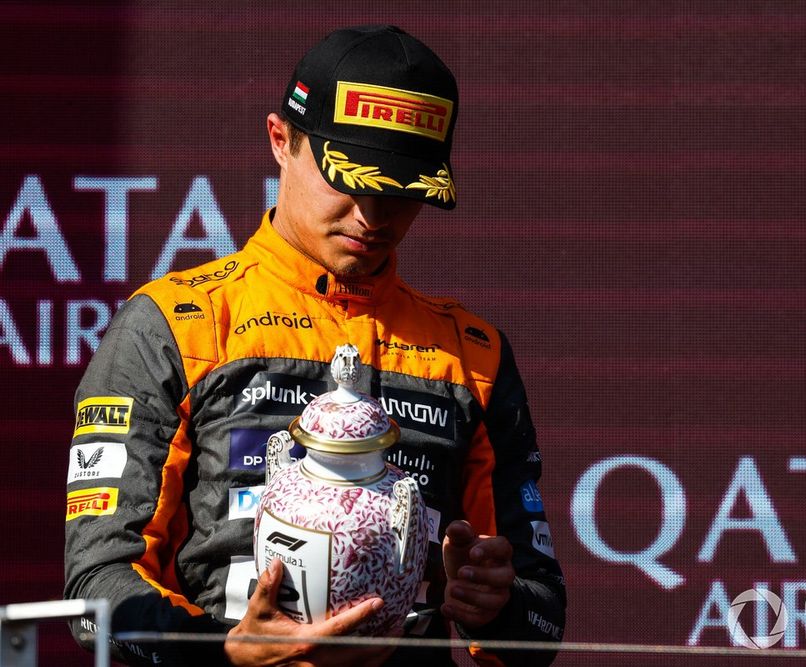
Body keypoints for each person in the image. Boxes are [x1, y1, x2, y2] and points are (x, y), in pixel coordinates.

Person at [64, 25, 566, 666]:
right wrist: (225, 653)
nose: (373, 215)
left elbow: (542, 624)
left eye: (400, 191)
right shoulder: (174, 325)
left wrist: (496, 605)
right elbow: (94, 591)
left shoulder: (476, 355)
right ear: (280, 140)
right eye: (350, 179)